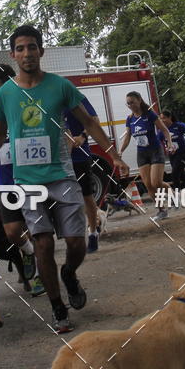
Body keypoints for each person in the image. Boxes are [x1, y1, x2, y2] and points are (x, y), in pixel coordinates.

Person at [0, 25, 128, 334]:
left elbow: (88, 122)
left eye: (32, 47)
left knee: (75, 242)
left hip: (61, 176)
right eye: (20, 48)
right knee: (42, 243)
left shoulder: (61, 86)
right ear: (13, 54)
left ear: (41, 51)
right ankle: (58, 307)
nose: (27, 53)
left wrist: (115, 155)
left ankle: (69, 274)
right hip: (26, 181)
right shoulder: (4, 95)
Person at [0, 64, 44, 297]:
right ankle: (27, 252)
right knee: (11, 232)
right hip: (5, 181)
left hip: (32, 180)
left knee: (38, 230)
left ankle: (40, 276)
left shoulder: (30, 104)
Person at [119, 92, 173, 222]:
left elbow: (165, 130)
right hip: (142, 154)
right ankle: (162, 211)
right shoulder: (130, 119)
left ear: (139, 100)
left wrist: (169, 143)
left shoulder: (149, 114)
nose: (131, 105)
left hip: (155, 151)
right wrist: (120, 151)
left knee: (156, 182)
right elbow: (127, 137)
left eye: (132, 102)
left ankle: (172, 195)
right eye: (128, 103)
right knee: (148, 185)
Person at [64, 95, 101, 253]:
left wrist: (83, 137)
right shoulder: (46, 102)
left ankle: (92, 232)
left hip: (79, 157)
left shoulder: (76, 98)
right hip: (58, 160)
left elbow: (94, 120)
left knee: (86, 197)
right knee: (65, 200)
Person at [158, 110, 185, 195]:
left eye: (164, 118)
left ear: (169, 117)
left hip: (183, 153)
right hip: (173, 155)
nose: (162, 120)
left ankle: (176, 192)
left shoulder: (179, 126)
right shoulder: (162, 130)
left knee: (175, 172)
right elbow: (158, 142)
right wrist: (164, 150)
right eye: (161, 119)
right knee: (181, 175)